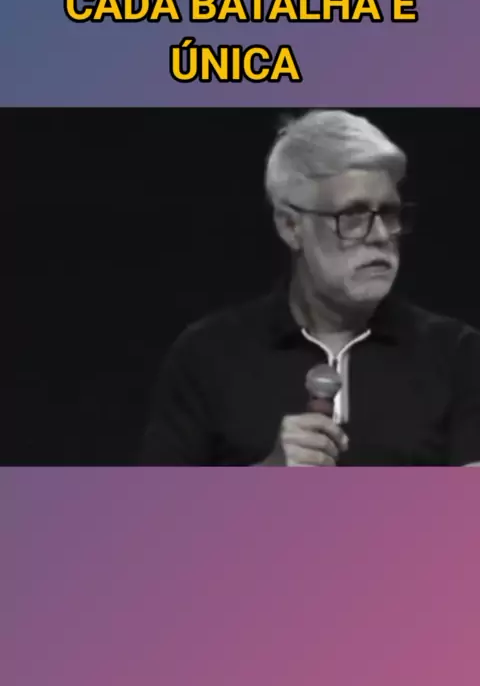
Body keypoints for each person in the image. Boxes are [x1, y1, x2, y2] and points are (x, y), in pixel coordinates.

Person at [139, 110, 480, 466]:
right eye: (353, 216)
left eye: (389, 214)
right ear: (291, 227)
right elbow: (156, 501)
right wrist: (264, 478)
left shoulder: (458, 355)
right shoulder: (207, 355)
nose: (381, 235)